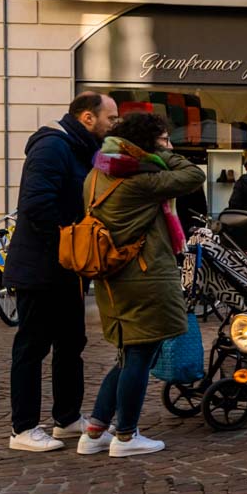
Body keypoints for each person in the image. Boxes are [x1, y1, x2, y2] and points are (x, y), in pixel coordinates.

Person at [75, 112, 204, 457]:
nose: (170, 145)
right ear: (147, 145)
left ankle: (95, 431)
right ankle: (127, 437)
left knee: (126, 355)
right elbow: (194, 175)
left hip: (113, 278)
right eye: (164, 139)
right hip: (143, 276)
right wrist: (160, 153)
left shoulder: (97, 174)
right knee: (140, 357)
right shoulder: (141, 181)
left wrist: (152, 150)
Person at [6, 92, 120, 452]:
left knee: (71, 345)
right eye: (111, 118)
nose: (114, 125)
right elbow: (37, 206)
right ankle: (22, 429)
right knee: (32, 346)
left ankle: (67, 420)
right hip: (40, 268)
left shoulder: (81, 148)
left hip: (68, 270)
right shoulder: (52, 147)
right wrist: (75, 237)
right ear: (88, 117)